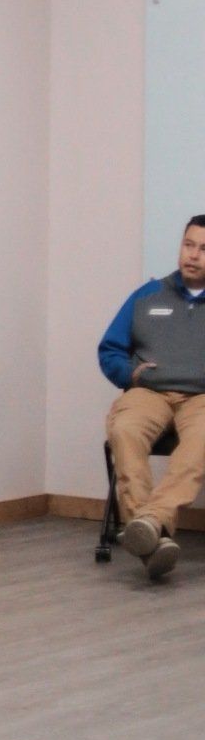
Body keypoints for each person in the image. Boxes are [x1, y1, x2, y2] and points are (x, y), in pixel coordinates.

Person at [98, 214, 205, 581]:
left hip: (202, 399)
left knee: (201, 440)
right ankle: (153, 536)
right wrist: (128, 374)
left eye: (204, 249)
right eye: (188, 245)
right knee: (124, 429)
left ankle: (150, 522)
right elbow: (110, 348)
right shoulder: (147, 294)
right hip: (150, 392)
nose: (193, 255)